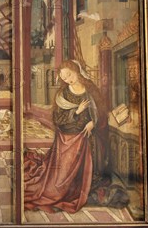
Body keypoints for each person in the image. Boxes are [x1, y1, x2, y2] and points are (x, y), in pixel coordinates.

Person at [24, 60, 108, 213]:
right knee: (61, 173)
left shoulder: (91, 89)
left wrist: (92, 123)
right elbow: (58, 120)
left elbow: (101, 111)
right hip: (67, 137)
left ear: (76, 70)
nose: (68, 79)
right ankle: (67, 189)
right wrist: (76, 112)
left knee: (93, 150)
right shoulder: (62, 94)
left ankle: (86, 184)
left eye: (69, 75)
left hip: (89, 135)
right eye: (64, 78)